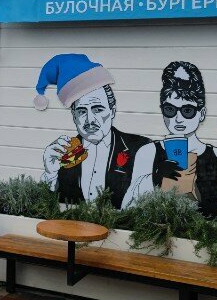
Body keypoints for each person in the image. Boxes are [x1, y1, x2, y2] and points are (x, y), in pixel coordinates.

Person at [33, 53, 150, 207]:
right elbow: (44, 207)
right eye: (82, 111)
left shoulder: (141, 148)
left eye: (98, 109)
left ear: (112, 111)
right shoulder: (63, 154)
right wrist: (50, 174)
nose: (90, 120)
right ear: (74, 117)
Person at [126, 61, 217, 217]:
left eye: (187, 110)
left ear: (202, 113)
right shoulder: (148, 153)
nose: (178, 119)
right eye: (170, 109)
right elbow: (129, 207)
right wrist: (155, 177)